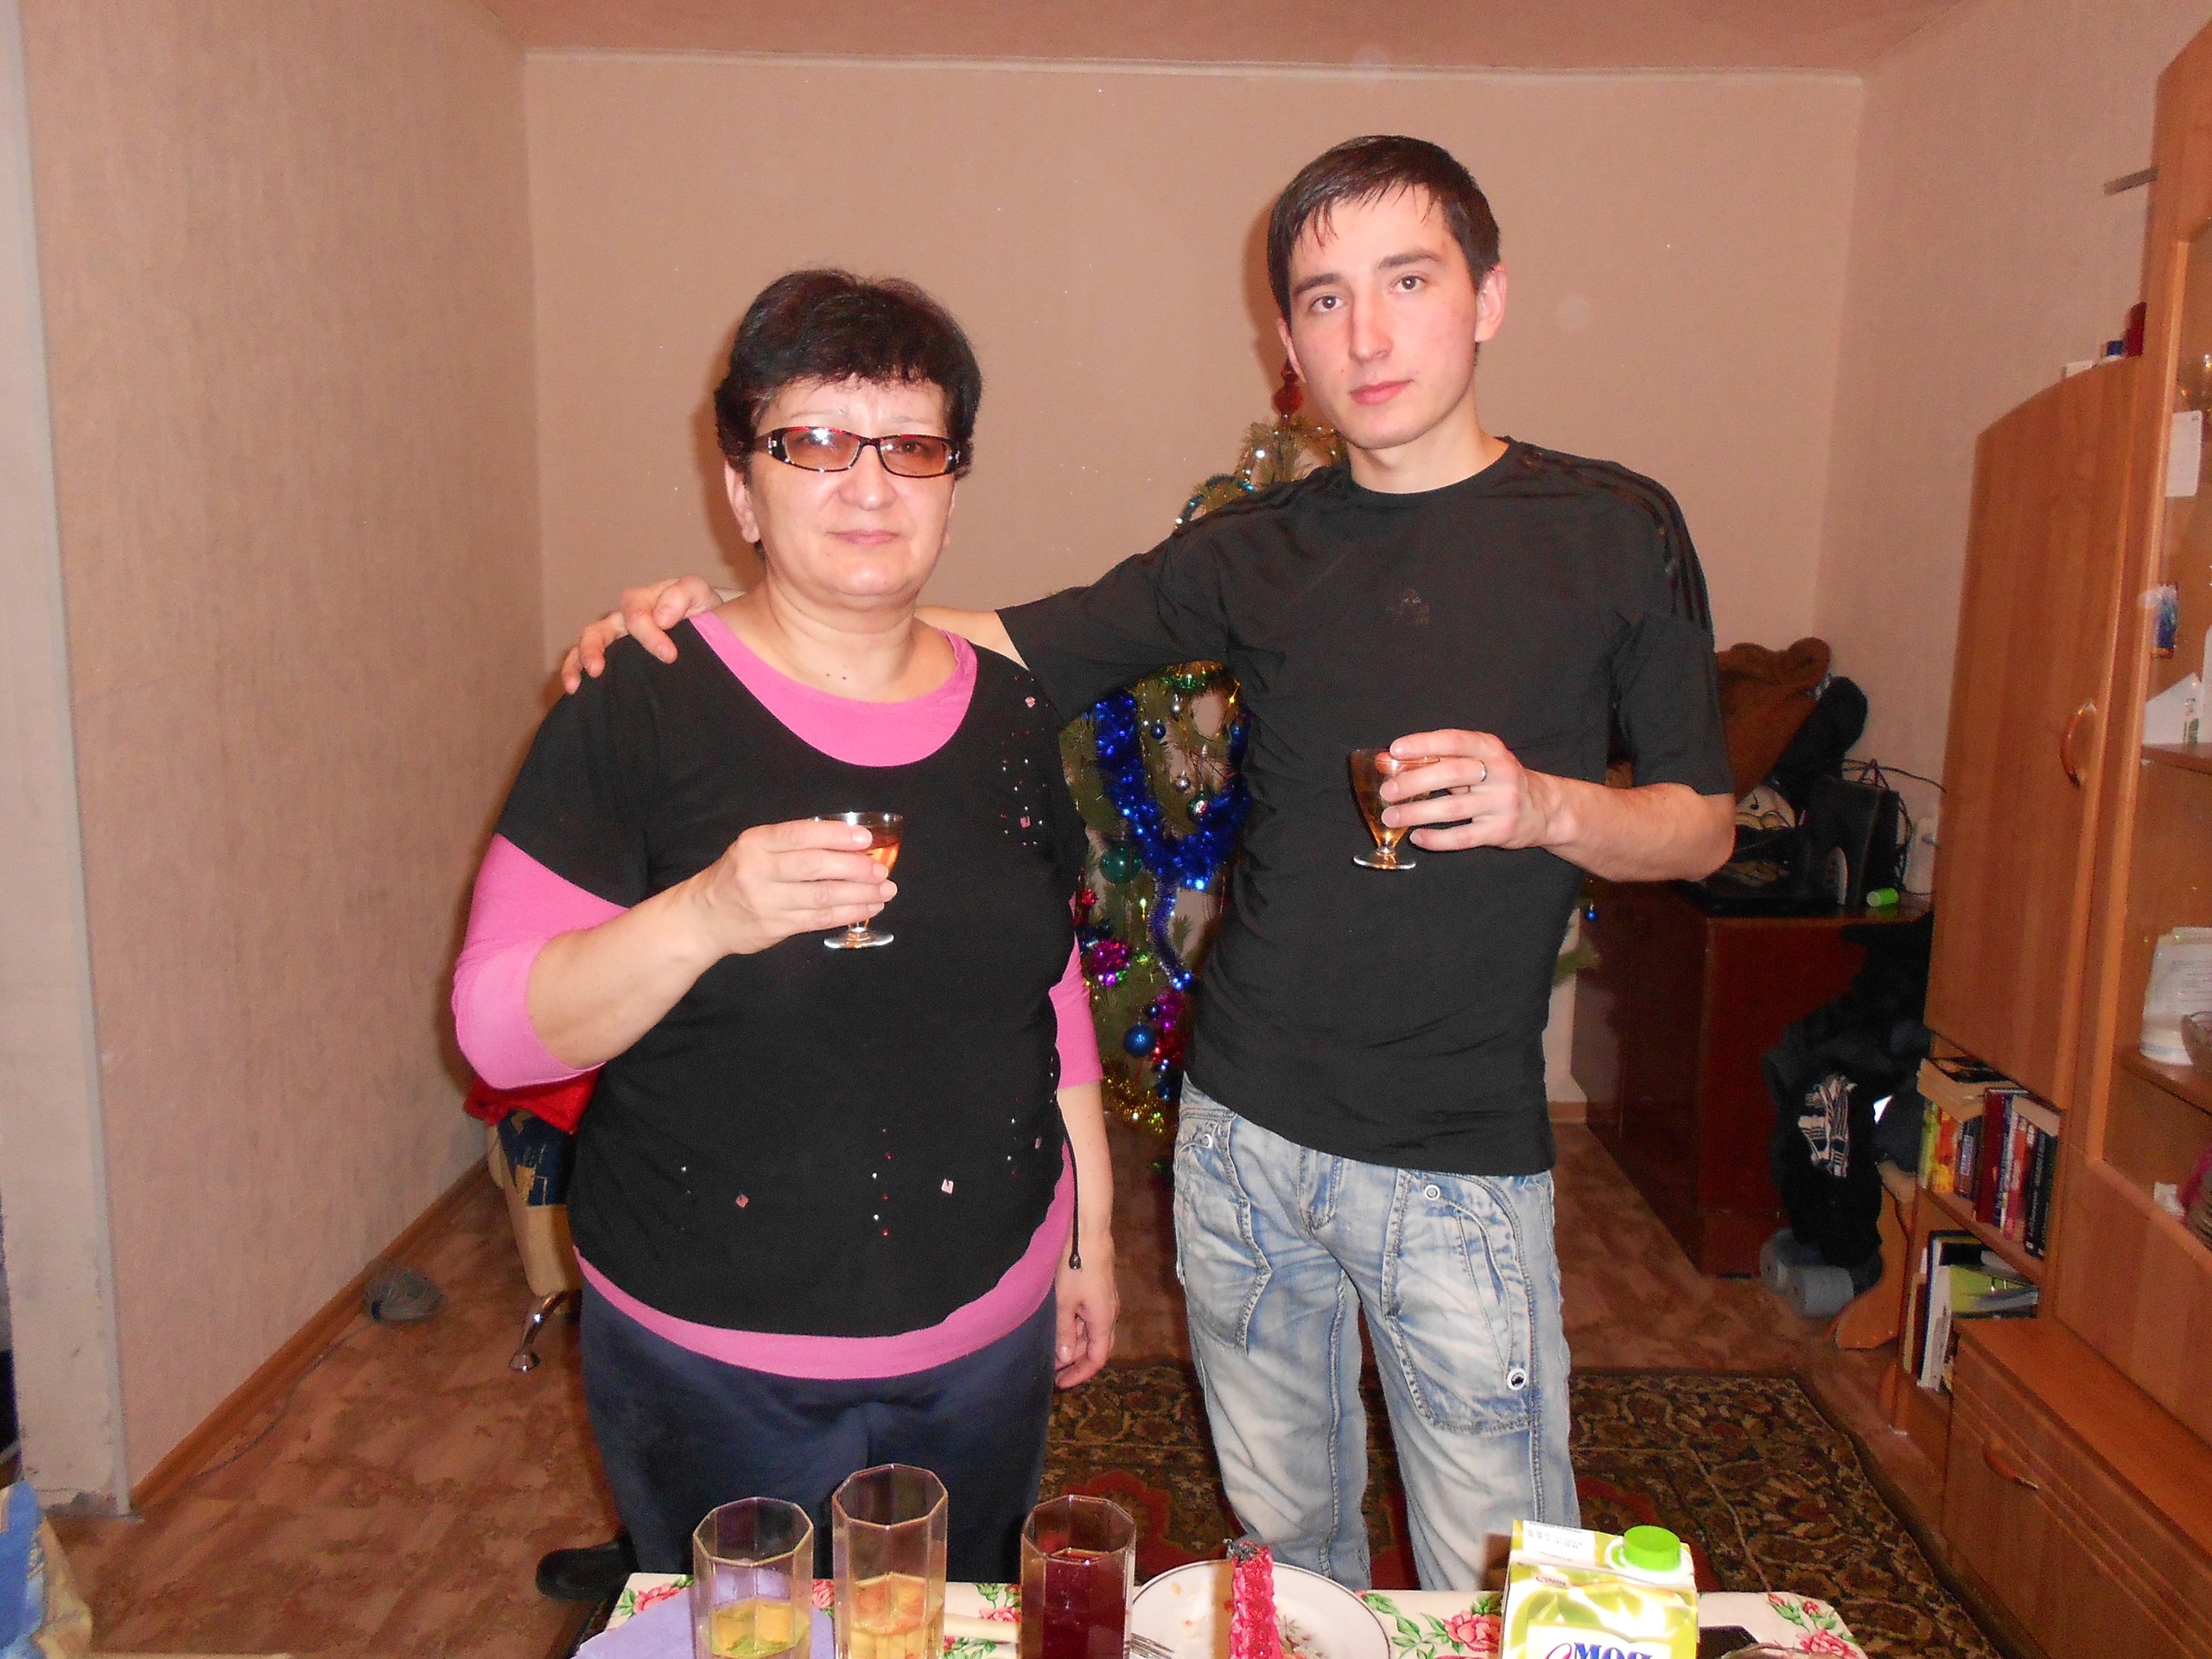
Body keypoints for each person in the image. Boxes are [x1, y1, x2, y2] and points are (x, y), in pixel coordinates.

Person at [563, 137, 1734, 1589]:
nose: (1366, 337)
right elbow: (1001, 643)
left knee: (1508, 1572)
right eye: (1323, 299)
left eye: (1408, 282)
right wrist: (728, 628)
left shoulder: (1613, 530)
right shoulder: (1254, 551)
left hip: (1459, 1162)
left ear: (1488, 297)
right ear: (1286, 339)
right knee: (1286, 1560)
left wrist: (1547, 806)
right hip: (1239, 1142)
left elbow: (1702, 822)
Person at [454, 270, 1117, 1581]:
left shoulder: (1007, 716)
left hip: (986, 1343)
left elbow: (1050, 994)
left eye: (912, 446)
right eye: (814, 441)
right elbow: (498, 1030)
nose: (868, 484)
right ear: (742, 490)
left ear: (952, 484)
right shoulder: (640, 704)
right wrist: (709, 912)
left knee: (946, 1629)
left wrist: (1088, 1241)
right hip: (713, 1359)